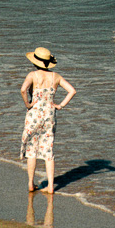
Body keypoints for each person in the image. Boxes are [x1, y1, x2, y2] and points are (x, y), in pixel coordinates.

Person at [20, 46, 76, 193]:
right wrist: (60, 105)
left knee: (32, 150)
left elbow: (23, 89)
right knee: (48, 150)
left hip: (34, 114)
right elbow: (72, 90)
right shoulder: (55, 77)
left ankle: (31, 184)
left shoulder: (32, 75)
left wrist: (28, 104)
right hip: (49, 115)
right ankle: (51, 186)